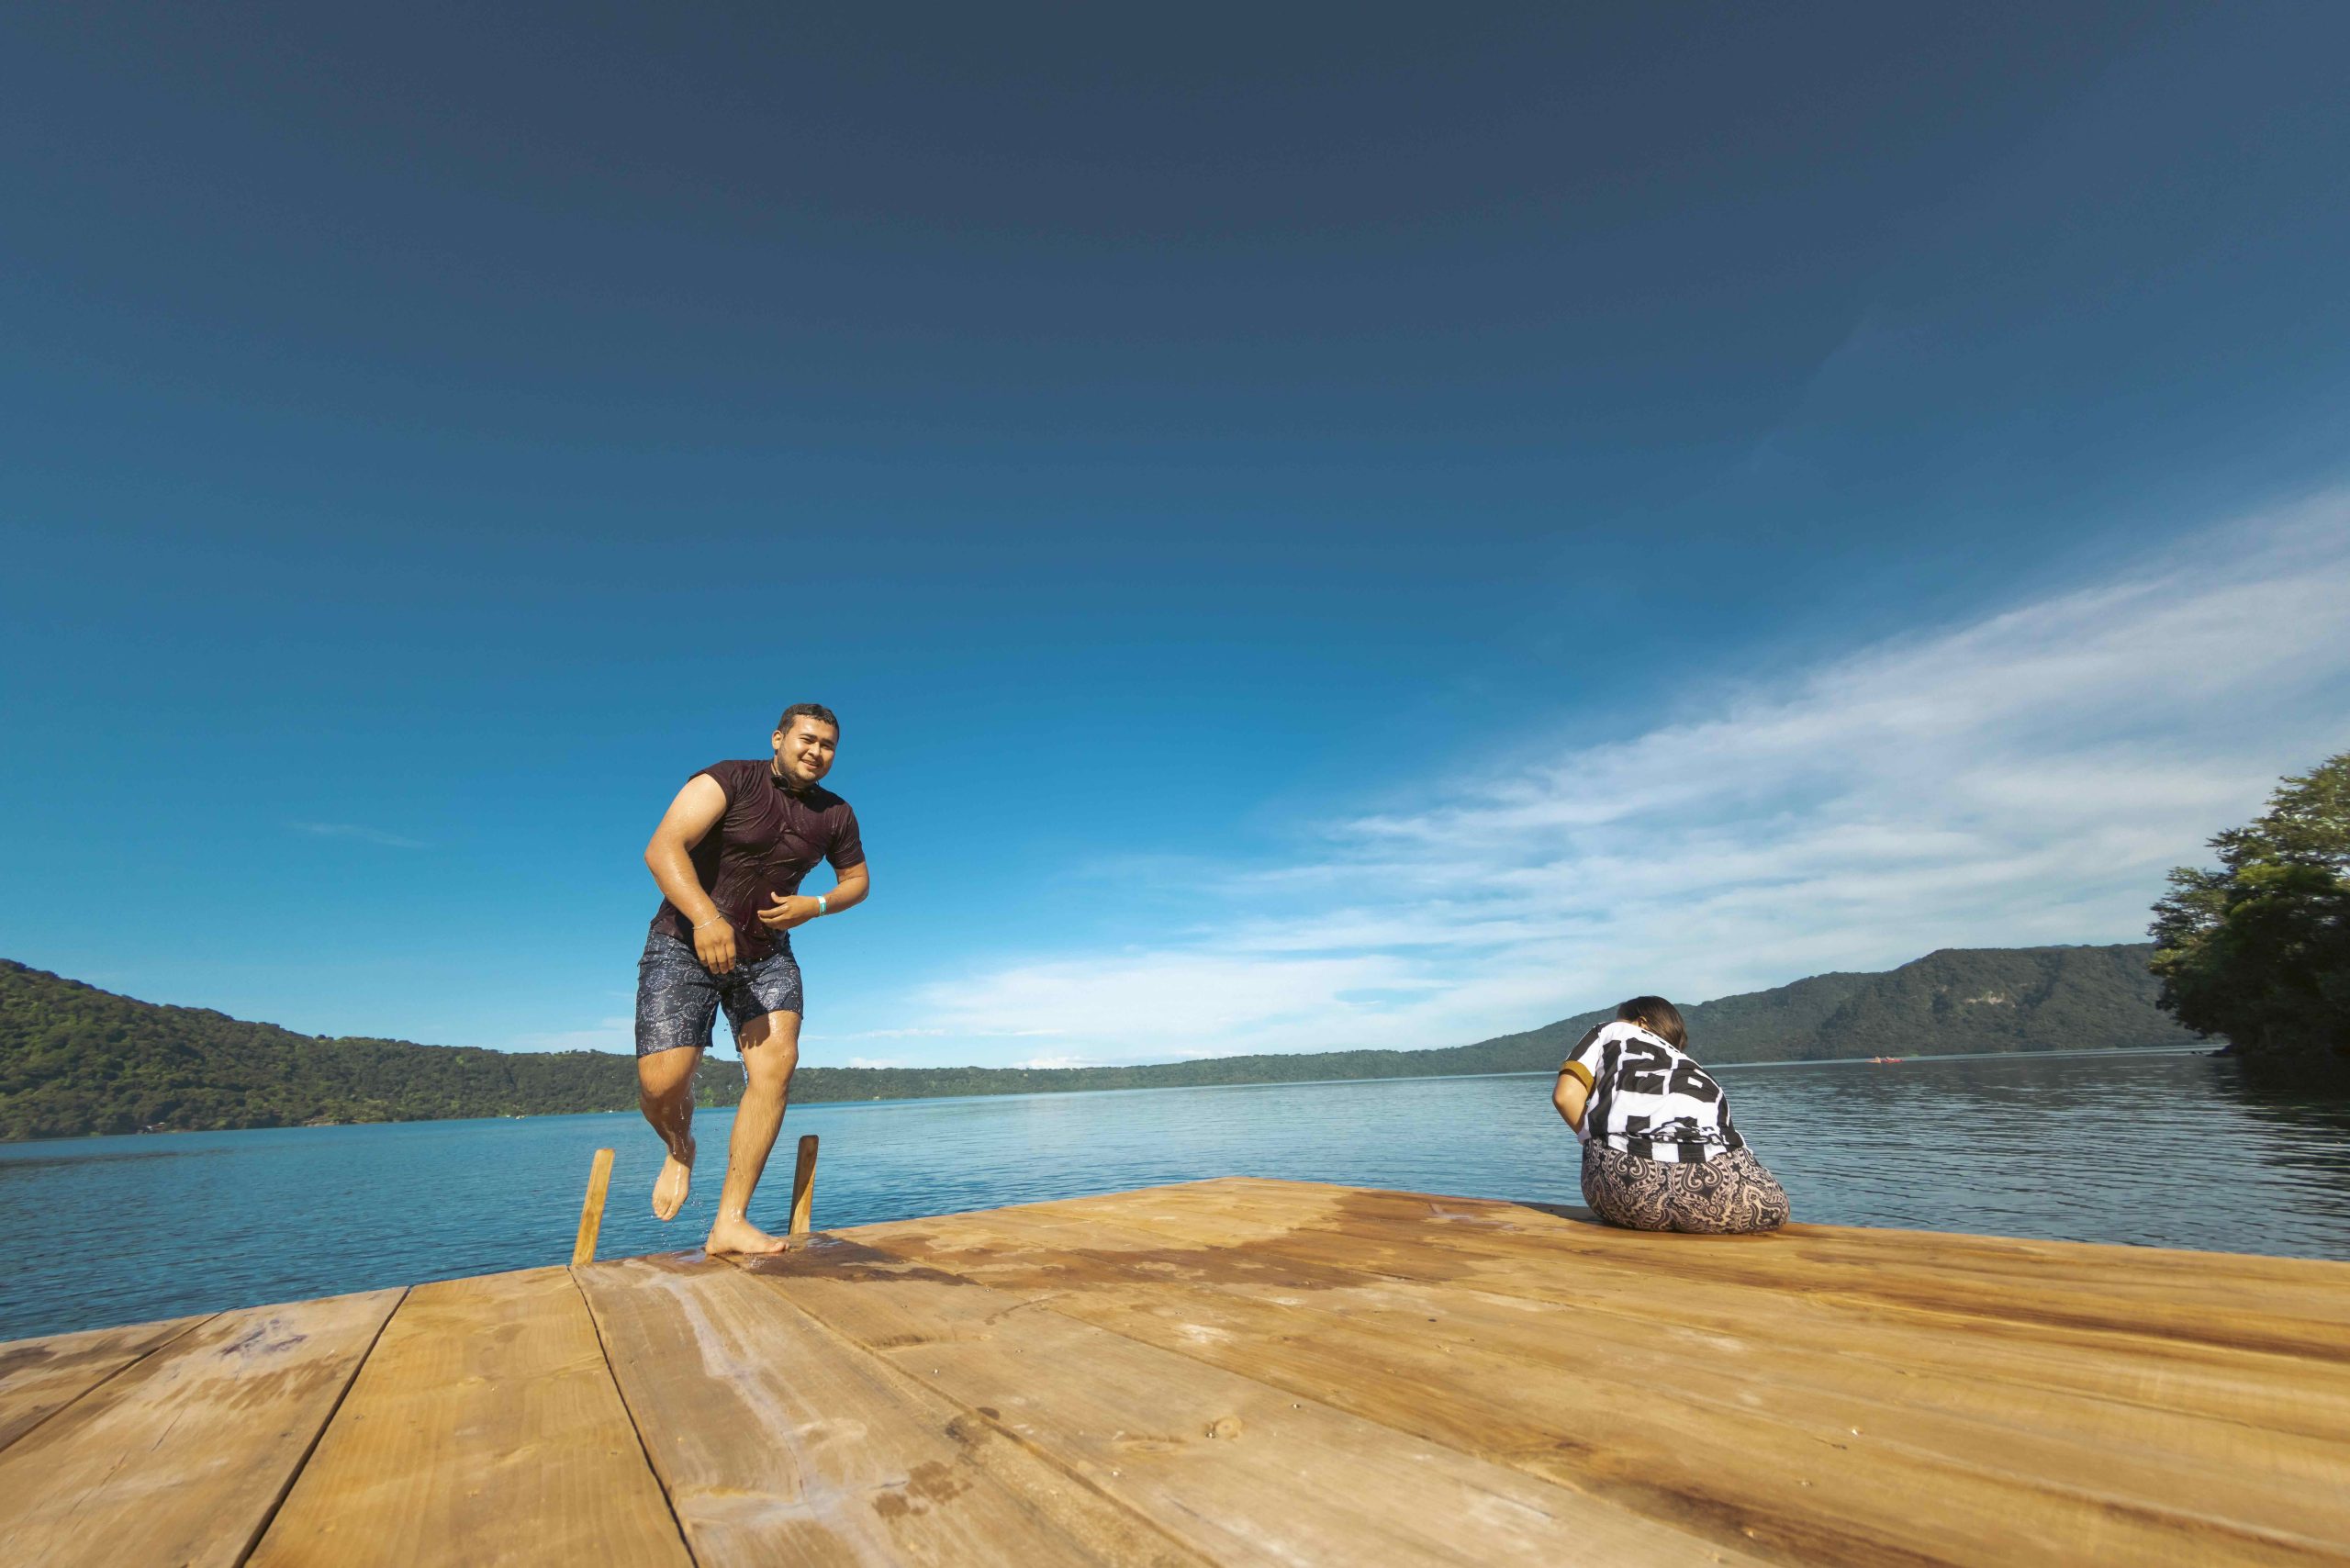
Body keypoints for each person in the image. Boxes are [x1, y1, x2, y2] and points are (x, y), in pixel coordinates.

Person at [634, 703, 869, 1256]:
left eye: (828, 745)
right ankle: (679, 1145)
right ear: (778, 738)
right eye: (807, 739)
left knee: (776, 1064)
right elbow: (662, 848)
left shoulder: (836, 814)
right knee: (662, 1084)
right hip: (683, 943)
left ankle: (730, 1222)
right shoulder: (728, 779)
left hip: (765, 956)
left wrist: (816, 904)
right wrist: (705, 919)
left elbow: (857, 881)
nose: (817, 752)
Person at [1551, 995, 1789, 1234]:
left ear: (1641, 1022)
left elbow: (1565, 1097)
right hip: (1715, 1192)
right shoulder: (1692, 1067)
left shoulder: (1609, 1031)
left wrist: (1596, 1141)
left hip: (1623, 1189)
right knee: (1775, 1205)